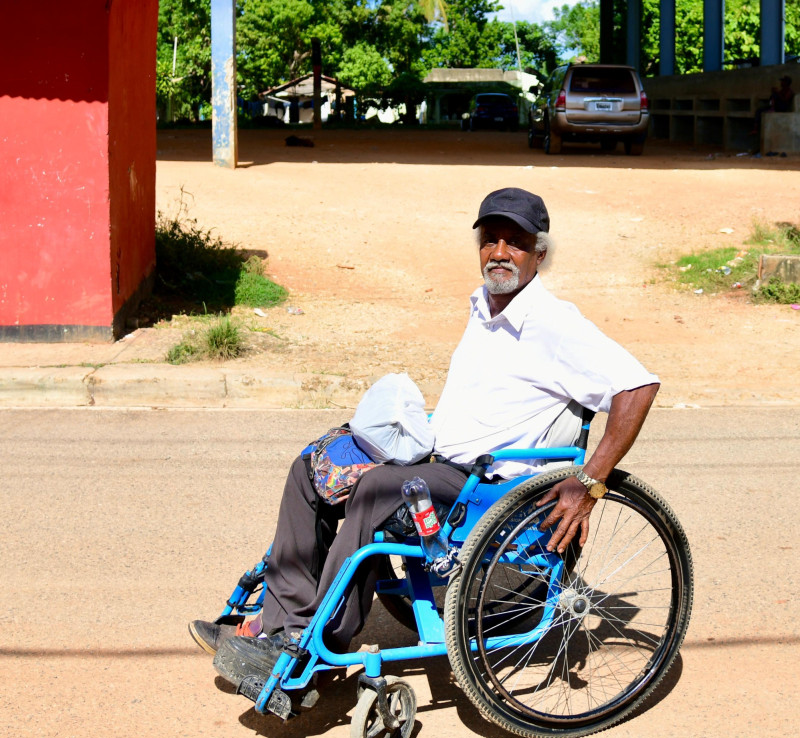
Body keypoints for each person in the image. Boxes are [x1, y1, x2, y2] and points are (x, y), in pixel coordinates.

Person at [189, 187, 660, 682]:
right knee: (317, 464)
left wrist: (589, 483)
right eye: (489, 239)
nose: (499, 252)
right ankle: (282, 616)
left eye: (514, 242)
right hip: (440, 463)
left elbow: (639, 386)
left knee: (376, 489)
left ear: (539, 254)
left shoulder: (555, 325)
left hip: (490, 487)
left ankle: (304, 642)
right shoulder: (485, 307)